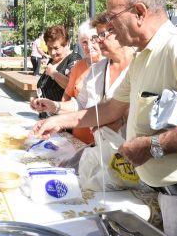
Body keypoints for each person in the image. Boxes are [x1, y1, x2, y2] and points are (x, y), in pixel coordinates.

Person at [32, 0, 177, 236]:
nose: (110, 25)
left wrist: (151, 146)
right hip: (173, 197)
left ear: (139, 12)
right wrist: (59, 119)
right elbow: (110, 108)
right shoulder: (142, 57)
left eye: (113, 17)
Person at [32, 13, 134, 144]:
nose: (97, 41)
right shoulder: (97, 69)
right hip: (99, 149)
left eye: (102, 35)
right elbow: (80, 104)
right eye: (96, 36)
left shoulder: (140, 64)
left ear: (120, 32)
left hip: (131, 152)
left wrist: (59, 121)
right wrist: (54, 106)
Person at [36, 25, 80, 118]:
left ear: (67, 44)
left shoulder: (74, 59)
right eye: (49, 48)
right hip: (46, 118)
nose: (52, 52)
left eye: (56, 48)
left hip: (63, 122)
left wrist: (54, 73)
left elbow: (72, 87)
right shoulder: (52, 60)